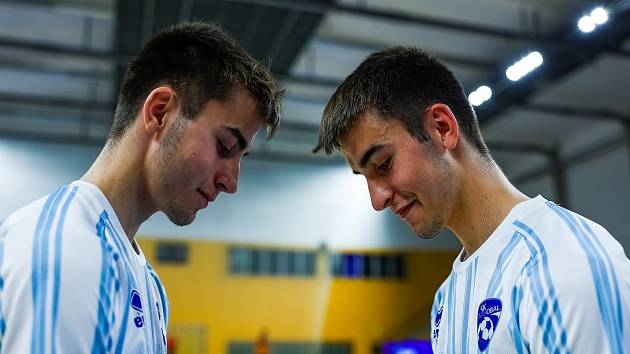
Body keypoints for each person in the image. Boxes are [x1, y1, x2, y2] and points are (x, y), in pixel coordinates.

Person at [315, 46, 630, 353]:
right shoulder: (446, 299)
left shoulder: (563, 268)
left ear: (442, 128)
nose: (377, 200)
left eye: (383, 164)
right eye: (365, 177)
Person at [0, 22, 282, 353]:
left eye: (240, 158)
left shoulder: (148, 285)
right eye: (223, 147)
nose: (231, 182)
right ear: (160, 112)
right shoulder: (65, 251)